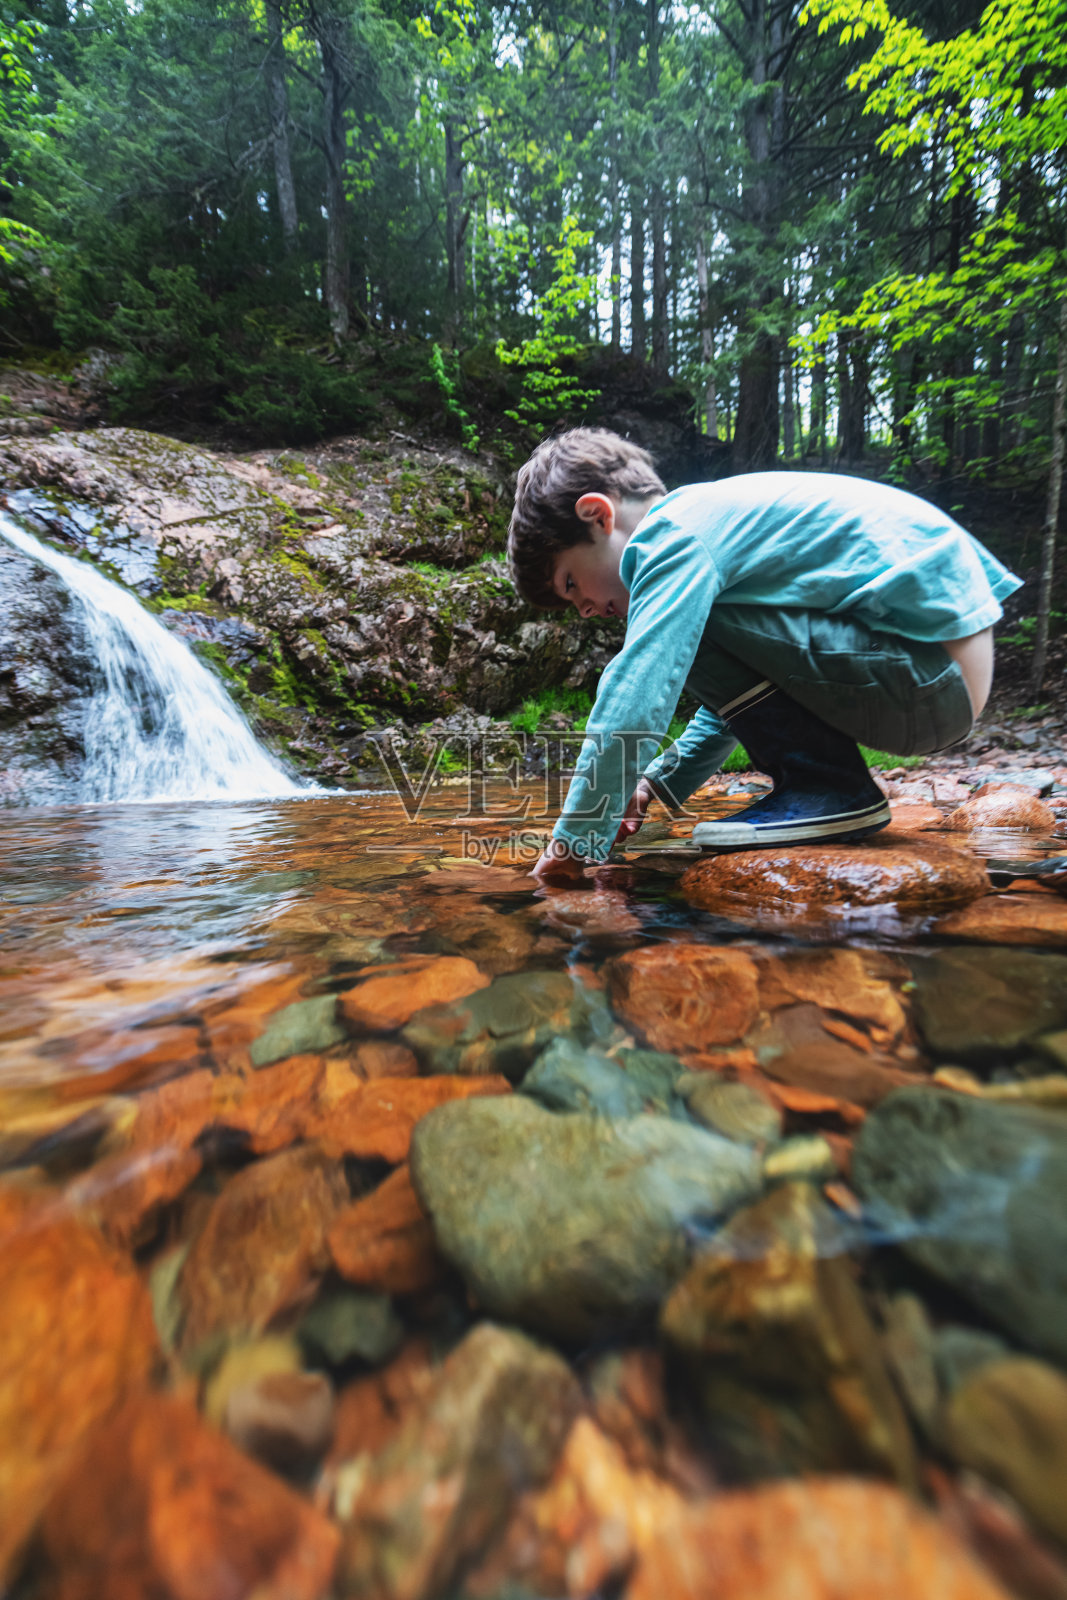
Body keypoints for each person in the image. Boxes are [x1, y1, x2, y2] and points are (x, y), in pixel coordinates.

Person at [506, 427, 1022, 882]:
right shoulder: (710, 521)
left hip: (924, 677)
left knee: (679, 636)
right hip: (932, 676)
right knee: (696, 626)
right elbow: (741, 702)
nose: (586, 610)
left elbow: (636, 694)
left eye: (572, 583)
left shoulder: (670, 536)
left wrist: (574, 841)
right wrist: (655, 787)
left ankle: (829, 789)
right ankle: (825, 786)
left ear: (598, 515)